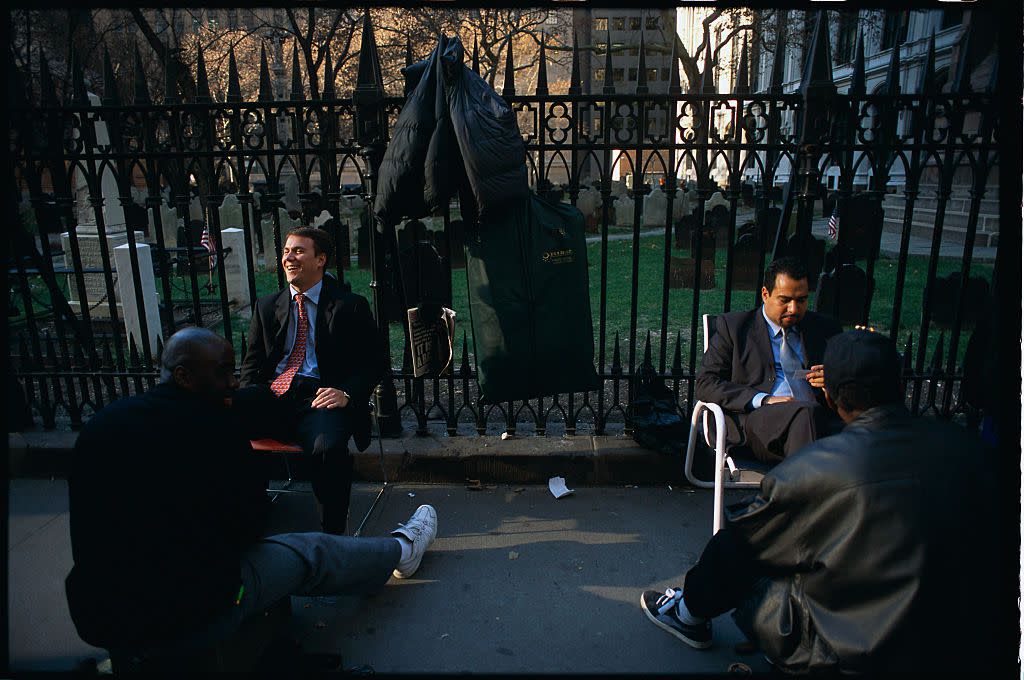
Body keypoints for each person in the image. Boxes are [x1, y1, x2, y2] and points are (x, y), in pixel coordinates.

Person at [65, 327, 436, 661]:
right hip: (190, 617)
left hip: (100, 615)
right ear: (184, 376)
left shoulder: (103, 424)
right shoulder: (216, 429)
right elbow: (250, 525)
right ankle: (401, 551)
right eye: (223, 372)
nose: (232, 383)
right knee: (306, 552)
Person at [641, 329, 999, 674]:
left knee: (752, 546)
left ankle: (686, 614)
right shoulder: (971, 451)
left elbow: (742, 546)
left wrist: (694, 604)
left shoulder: (811, 472)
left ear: (828, 397)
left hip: (849, 653)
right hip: (962, 642)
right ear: (901, 385)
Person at [237, 226, 384, 534]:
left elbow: (375, 363)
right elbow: (251, 367)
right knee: (219, 420)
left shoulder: (349, 306)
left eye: (299, 251)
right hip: (273, 395)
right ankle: (243, 511)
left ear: (321, 260)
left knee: (328, 449)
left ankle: (332, 535)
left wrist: (347, 392)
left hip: (318, 398)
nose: (289, 258)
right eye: (286, 251)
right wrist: (246, 397)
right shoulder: (266, 307)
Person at [695, 256, 843, 463]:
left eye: (801, 300)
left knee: (812, 416)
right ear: (765, 294)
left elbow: (850, 382)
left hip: (817, 420)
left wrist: (833, 382)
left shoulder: (824, 329)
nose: (793, 309)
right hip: (759, 423)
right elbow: (706, 383)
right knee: (807, 414)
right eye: (785, 300)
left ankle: (797, 491)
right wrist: (763, 399)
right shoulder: (735, 328)